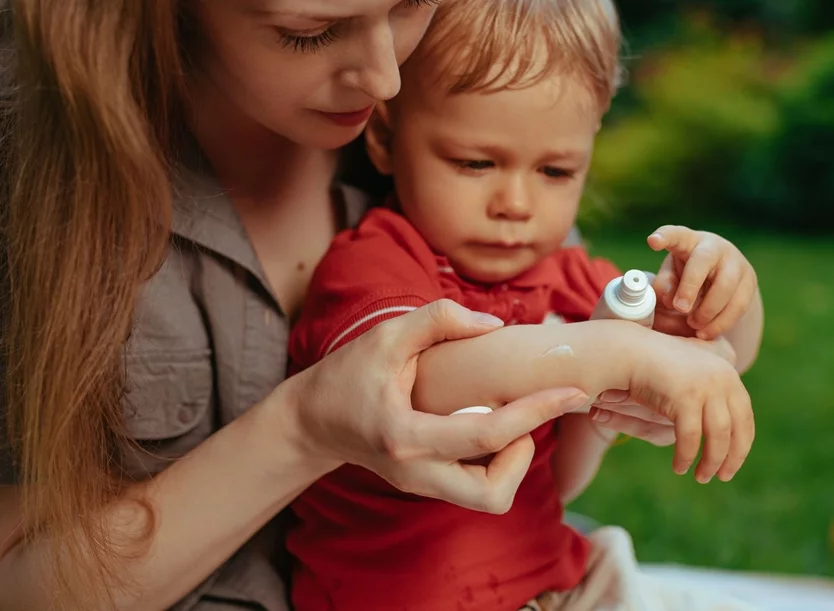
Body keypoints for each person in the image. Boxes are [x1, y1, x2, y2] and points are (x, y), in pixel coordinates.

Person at [0, 1, 744, 610]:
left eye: (410, 5)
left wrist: (712, 316)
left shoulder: (464, 74)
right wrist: (608, 353)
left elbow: (657, 371)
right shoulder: (35, 168)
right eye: (310, 30)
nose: (387, 76)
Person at [285, 0, 764, 609]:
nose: (515, 202)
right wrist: (611, 352)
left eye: (557, 171)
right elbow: (406, 387)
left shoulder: (564, 274)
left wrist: (722, 300)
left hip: (552, 583)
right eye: (475, 162)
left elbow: (726, 354)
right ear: (385, 136)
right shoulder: (374, 263)